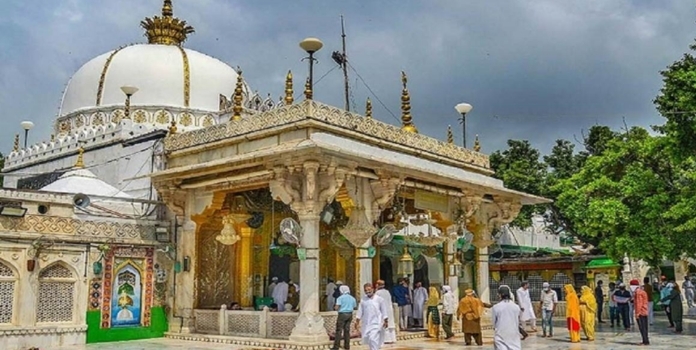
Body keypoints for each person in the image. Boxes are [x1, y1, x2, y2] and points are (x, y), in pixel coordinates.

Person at [356, 283, 389, 350]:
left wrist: (386, 320)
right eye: (365, 290)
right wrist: (357, 322)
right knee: (369, 340)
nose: (367, 291)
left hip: (377, 323)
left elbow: (384, 310)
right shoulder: (363, 300)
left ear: (373, 289)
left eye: (369, 289)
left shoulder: (379, 299)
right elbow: (360, 311)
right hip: (366, 323)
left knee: (373, 338)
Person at [492, 285, 522, 350]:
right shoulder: (516, 307)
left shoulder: (496, 307)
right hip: (514, 334)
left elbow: (494, 323)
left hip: (501, 334)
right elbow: (518, 320)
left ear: (500, 295)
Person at [332, 285, 357, 350]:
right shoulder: (352, 298)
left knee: (339, 330)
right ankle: (347, 346)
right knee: (347, 330)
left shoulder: (340, 298)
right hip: (350, 314)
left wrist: (335, 308)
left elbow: (337, 307)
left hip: (342, 314)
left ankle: (336, 347)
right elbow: (354, 306)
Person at [374, 280, 396, 344]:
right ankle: (392, 338)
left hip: (382, 310)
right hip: (389, 309)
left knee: (384, 324)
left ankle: (386, 339)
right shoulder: (387, 292)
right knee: (390, 324)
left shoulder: (378, 293)